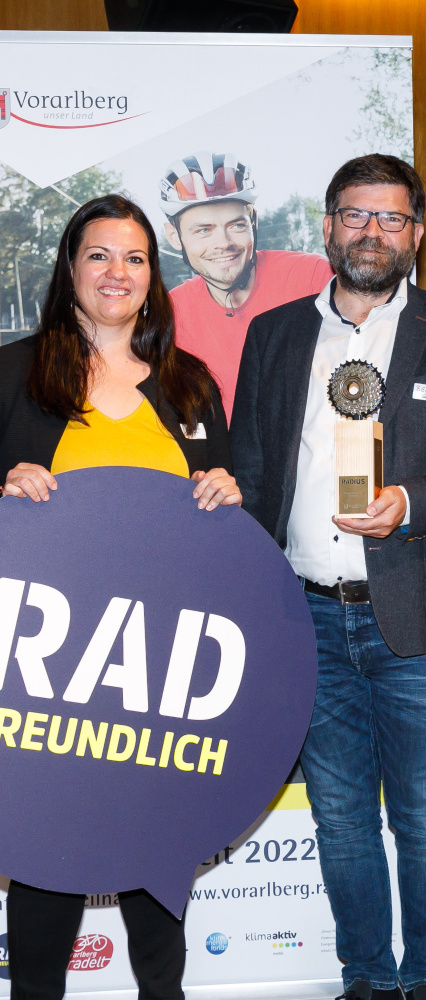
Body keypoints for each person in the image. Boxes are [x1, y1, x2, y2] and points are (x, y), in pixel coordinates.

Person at [230, 153, 426, 1000]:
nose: (372, 232)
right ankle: (365, 978)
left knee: (424, 818)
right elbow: (252, 467)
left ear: (416, 234)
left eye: (392, 218)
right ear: (327, 227)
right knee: (341, 818)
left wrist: (411, 502)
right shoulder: (274, 334)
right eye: (356, 215)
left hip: (421, 617)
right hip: (305, 619)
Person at [0, 194, 240, 999]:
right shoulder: (12, 374)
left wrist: (225, 497)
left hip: (159, 674)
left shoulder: (190, 384)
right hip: (47, 675)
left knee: (156, 864)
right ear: (69, 268)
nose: (117, 273)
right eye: (99, 255)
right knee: (47, 862)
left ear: (152, 276)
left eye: (135, 258)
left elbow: (226, 532)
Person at [160, 150, 332, 420]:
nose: (223, 243)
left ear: (253, 222)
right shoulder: (170, 314)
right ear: (174, 236)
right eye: (203, 230)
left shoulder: (313, 277)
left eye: (236, 225)